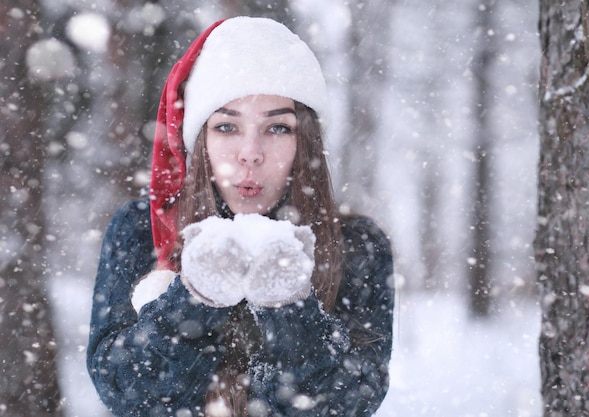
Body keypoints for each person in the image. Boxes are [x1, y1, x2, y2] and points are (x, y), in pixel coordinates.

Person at [87, 16, 394, 417]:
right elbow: (126, 393)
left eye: (278, 128)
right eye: (228, 126)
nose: (251, 152)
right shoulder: (143, 229)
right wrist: (194, 298)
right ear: (200, 141)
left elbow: (349, 402)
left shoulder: (356, 244)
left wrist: (288, 306)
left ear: (307, 143)